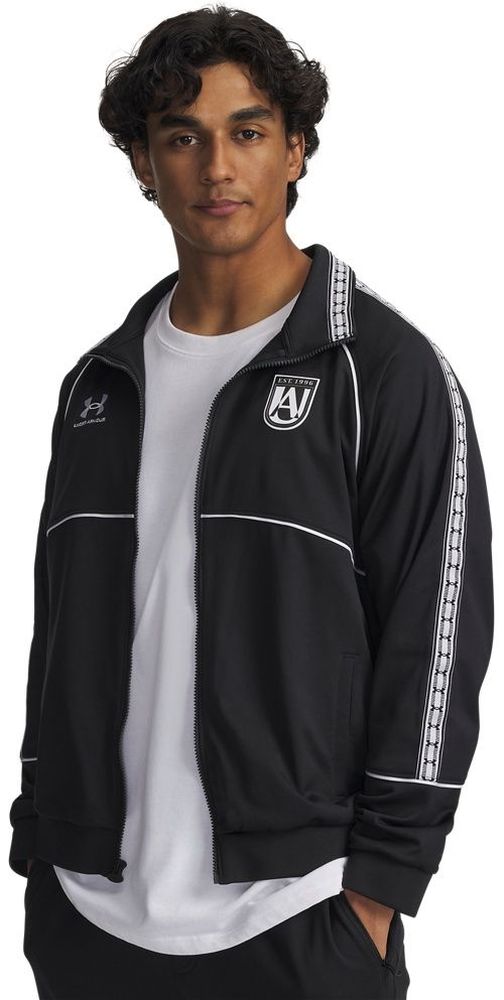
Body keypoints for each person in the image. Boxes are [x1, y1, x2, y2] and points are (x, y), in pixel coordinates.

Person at [10, 5, 494, 999]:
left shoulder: (383, 370)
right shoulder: (98, 384)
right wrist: (40, 842)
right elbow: (56, 631)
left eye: (249, 131)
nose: (217, 168)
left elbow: (437, 638)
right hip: (90, 911)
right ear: (143, 163)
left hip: (296, 913)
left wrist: (381, 885)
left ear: (296, 149)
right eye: (182, 137)